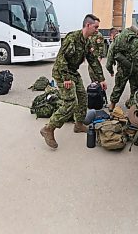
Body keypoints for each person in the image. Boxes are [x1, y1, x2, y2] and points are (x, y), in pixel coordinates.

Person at [39, 14, 107, 149]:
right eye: (96, 27)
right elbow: (61, 59)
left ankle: (79, 124)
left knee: (82, 97)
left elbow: (93, 60)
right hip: (62, 73)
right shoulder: (72, 38)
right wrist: (66, 79)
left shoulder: (86, 41)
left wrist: (101, 79)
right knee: (71, 102)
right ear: (88, 25)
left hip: (72, 72)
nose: (97, 30)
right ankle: (49, 128)